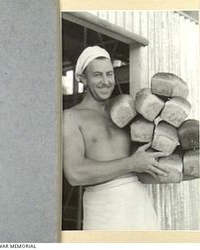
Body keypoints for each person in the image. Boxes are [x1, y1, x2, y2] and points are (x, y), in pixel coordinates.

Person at [63, 46, 169, 230]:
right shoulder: (71, 117)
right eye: (97, 75)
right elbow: (75, 173)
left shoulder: (126, 109)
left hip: (138, 203)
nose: (106, 81)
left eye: (109, 74)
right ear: (82, 79)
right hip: (103, 207)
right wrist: (131, 164)